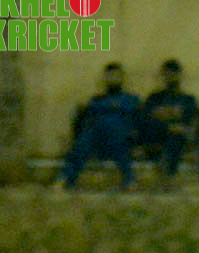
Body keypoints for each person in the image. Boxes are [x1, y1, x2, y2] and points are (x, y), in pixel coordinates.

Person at [56, 62, 141, 190]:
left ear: (122, 78)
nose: (113, 79)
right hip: (98, 139)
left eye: (116, 76)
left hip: (121, 138)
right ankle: (66, 178)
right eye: (110, 76)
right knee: (85, 141)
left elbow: (138, 121)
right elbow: (86, 119)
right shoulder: (96, 100)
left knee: (110, 128)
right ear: (105, 78)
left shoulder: (131, 99)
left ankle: (129, 179)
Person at [141, 59, 199, 186]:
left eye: (173, 74)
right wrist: (168, 126)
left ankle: (168, 175)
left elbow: (192, 122)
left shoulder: (188, 100)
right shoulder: (154, 98)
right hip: (156, 134)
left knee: (176, 137)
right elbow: (146, 119)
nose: (170, 78)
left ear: (179, 76)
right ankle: (166, 174)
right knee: (169, 134)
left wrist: (180, 128)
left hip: (178, 136)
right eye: (167, 74)